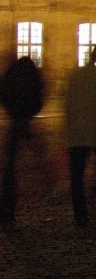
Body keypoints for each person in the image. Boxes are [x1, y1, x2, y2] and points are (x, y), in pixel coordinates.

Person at [65, 45, 96, 227]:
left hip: (77, 133)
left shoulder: (74, 76)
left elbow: (68, 105)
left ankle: (80, 214)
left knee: (76, 177)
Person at [0, 56, 44, 226]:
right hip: (25, 120)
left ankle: (7, 205)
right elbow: (38, 98)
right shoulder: (32, 79)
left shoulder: (11, 77)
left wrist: (12, 111)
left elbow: (3, 94)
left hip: (16, 120)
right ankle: (45, 181)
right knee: (34, 158)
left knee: (10, 166)